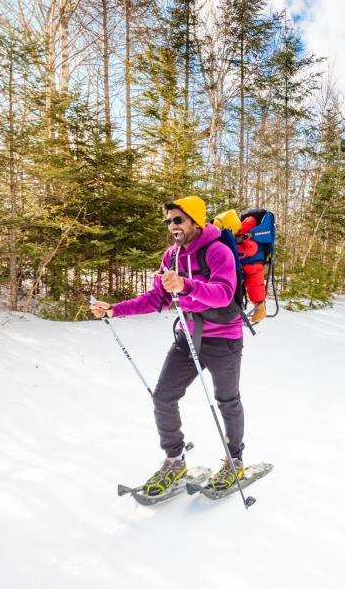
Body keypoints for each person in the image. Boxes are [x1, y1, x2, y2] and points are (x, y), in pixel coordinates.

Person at [89, 196, 246, 496]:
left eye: (178, 219)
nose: (172, 226)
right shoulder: (170, 257)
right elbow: (156, 299)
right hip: (189, 336)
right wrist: (114, 309)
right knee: (163, 397)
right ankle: (175, 460)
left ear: (195, 221)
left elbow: (224, 294)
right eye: (168, 221)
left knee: (227, 401)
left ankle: (235, 459)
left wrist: (186, 285)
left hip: (224, 337)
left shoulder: (218, 251)